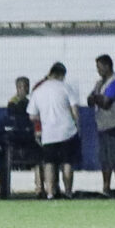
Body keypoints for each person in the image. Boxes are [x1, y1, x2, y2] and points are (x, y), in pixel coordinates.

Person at [29, 62, 80, 198]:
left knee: (49, 163)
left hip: (49, 132)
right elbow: (75, 111)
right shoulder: (66, 87)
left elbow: (32, 115)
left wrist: (44, 118)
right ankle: (68, 191)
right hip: (67, 131)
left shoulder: (38, 90)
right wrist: (76, 125)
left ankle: (50, 193)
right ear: (61, 75)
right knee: (67, 162)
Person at [87, 55, 115, 193]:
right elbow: (90, 100)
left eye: (100, 68)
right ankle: (106, 187)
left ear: (108, 66)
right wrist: (97, 98)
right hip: (103, 126)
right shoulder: (99, 84)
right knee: (105, 159)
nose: (98, 71)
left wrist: (96, 98)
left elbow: (106, 103)